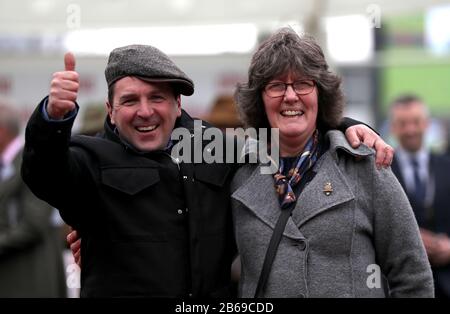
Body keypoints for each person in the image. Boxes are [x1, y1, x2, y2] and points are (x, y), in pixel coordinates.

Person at [24, 44, 393, 297]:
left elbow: (288, 133)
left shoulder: (216, 146)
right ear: (109, 109)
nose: (145, 111)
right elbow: (44, 173)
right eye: (130, 100)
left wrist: (342, 125)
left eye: (156, 97)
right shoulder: (90, 159)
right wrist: (53, 117)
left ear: (177, 103)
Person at [231, 28, 433, 298]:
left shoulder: (365, 166)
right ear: (259, 98)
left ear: (320, 93)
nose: (290, 96)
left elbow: (412, 275)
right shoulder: (236, 173)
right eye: (276, 85)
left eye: (303, 83)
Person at [0, 103, 66, 297]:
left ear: (2, 132)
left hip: (29, 277)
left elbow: (34, 224)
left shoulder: (32, 161)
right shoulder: (11, 163)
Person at [390, 94, 450, 298]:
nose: (410, 130)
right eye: (402, 123)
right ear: (393, 128)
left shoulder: (447, 166)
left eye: (415, 122)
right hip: (403, 285)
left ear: (427, 124)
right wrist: (411, 239)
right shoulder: (381, 171)